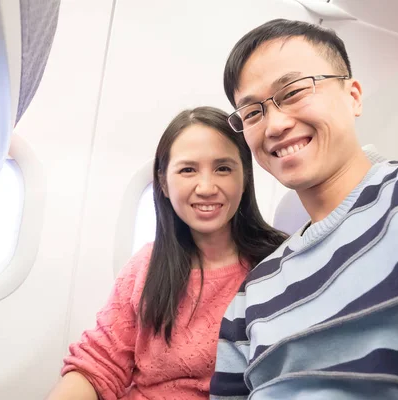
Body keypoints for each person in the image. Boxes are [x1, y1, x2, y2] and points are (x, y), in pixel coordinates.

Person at [210, 19, 398, 399]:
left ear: (354, 96)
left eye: (294, 91)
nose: (275, 124)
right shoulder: (251, 295)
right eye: (252, 113)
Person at [45, 106, 287, 400]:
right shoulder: (146, 266)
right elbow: (99, 364)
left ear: (245, 176)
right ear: (163, 181)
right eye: (188, 170)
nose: (207, 187)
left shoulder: (279, 266)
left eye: (223, 168)